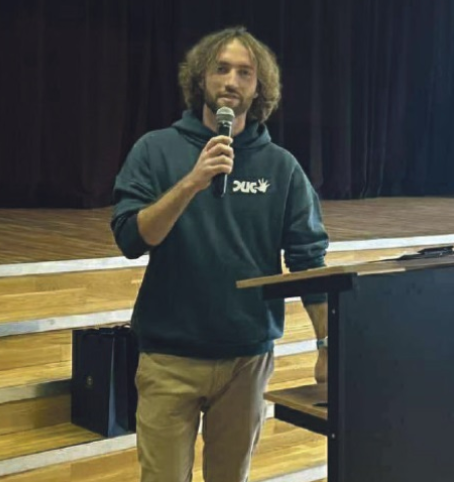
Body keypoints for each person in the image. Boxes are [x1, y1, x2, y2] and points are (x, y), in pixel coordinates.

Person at [111, 26, 329, 482]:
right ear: (200, 78)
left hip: (246, 361)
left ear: (259, 87)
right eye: (221, 69)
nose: (231, 81)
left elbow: (309, 260)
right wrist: (191, 182)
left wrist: (327, 344)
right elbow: (131, 239)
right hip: (169, 357)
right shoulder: (156, 149)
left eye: (245, 73)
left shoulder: (282, 167)